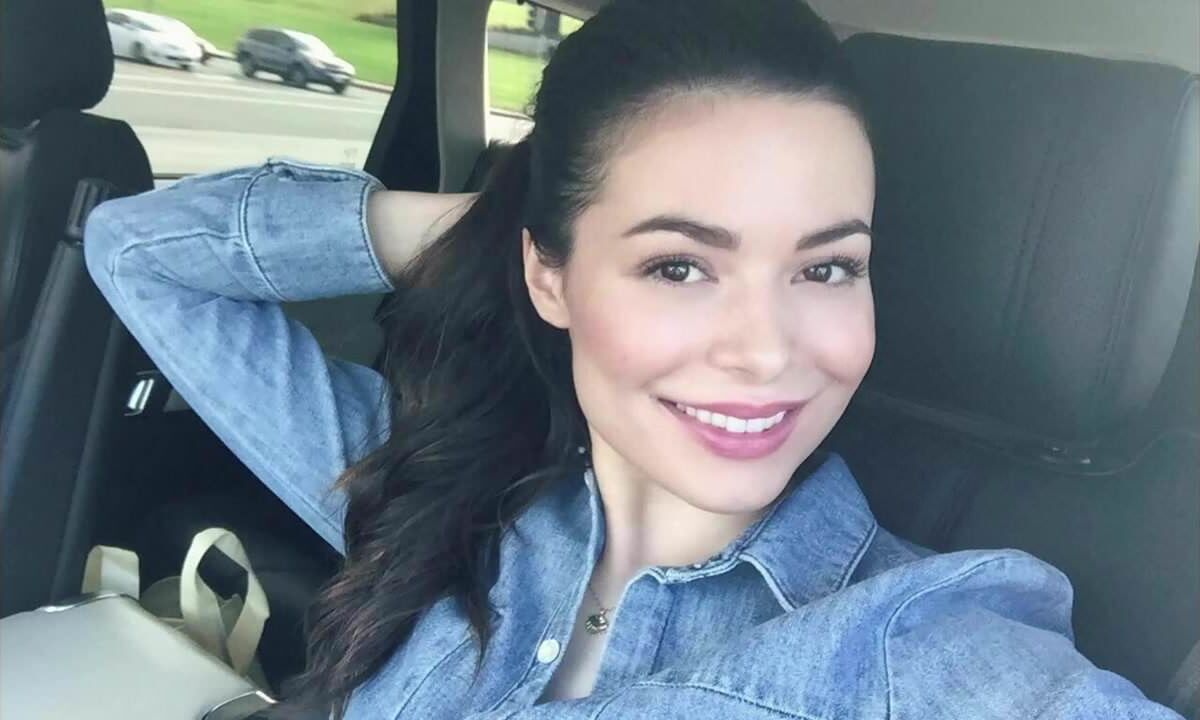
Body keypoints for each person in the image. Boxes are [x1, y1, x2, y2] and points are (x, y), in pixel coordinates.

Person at [82, 1, 1183, 718]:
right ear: (551, 277)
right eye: (679, 265)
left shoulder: (920, 646)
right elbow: (138, 251)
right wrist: (487, 228)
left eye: (827, 267)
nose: (766, 351)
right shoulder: (434, 495)